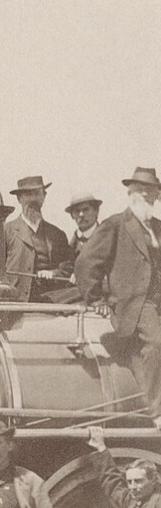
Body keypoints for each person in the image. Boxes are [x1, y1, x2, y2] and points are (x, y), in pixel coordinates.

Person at [76, 167, 161, 429]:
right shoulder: (115, 224)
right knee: (157, 344)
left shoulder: (158, 227)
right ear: (130, 193)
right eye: (140, 190)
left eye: (151, 191)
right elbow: (86, 262)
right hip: (133, 304)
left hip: (156, 302)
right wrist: (96, 299)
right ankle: (157, 412)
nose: (146, 195)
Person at [3, 174, 77, 303]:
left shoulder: (57, 234)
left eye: (37, 194)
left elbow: (68, 267)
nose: (33, 199)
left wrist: (53, 273)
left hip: (51, 298)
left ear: (44, 196)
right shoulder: (6, 231)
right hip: (16, 299)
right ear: (19, 199)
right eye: (27, 195)